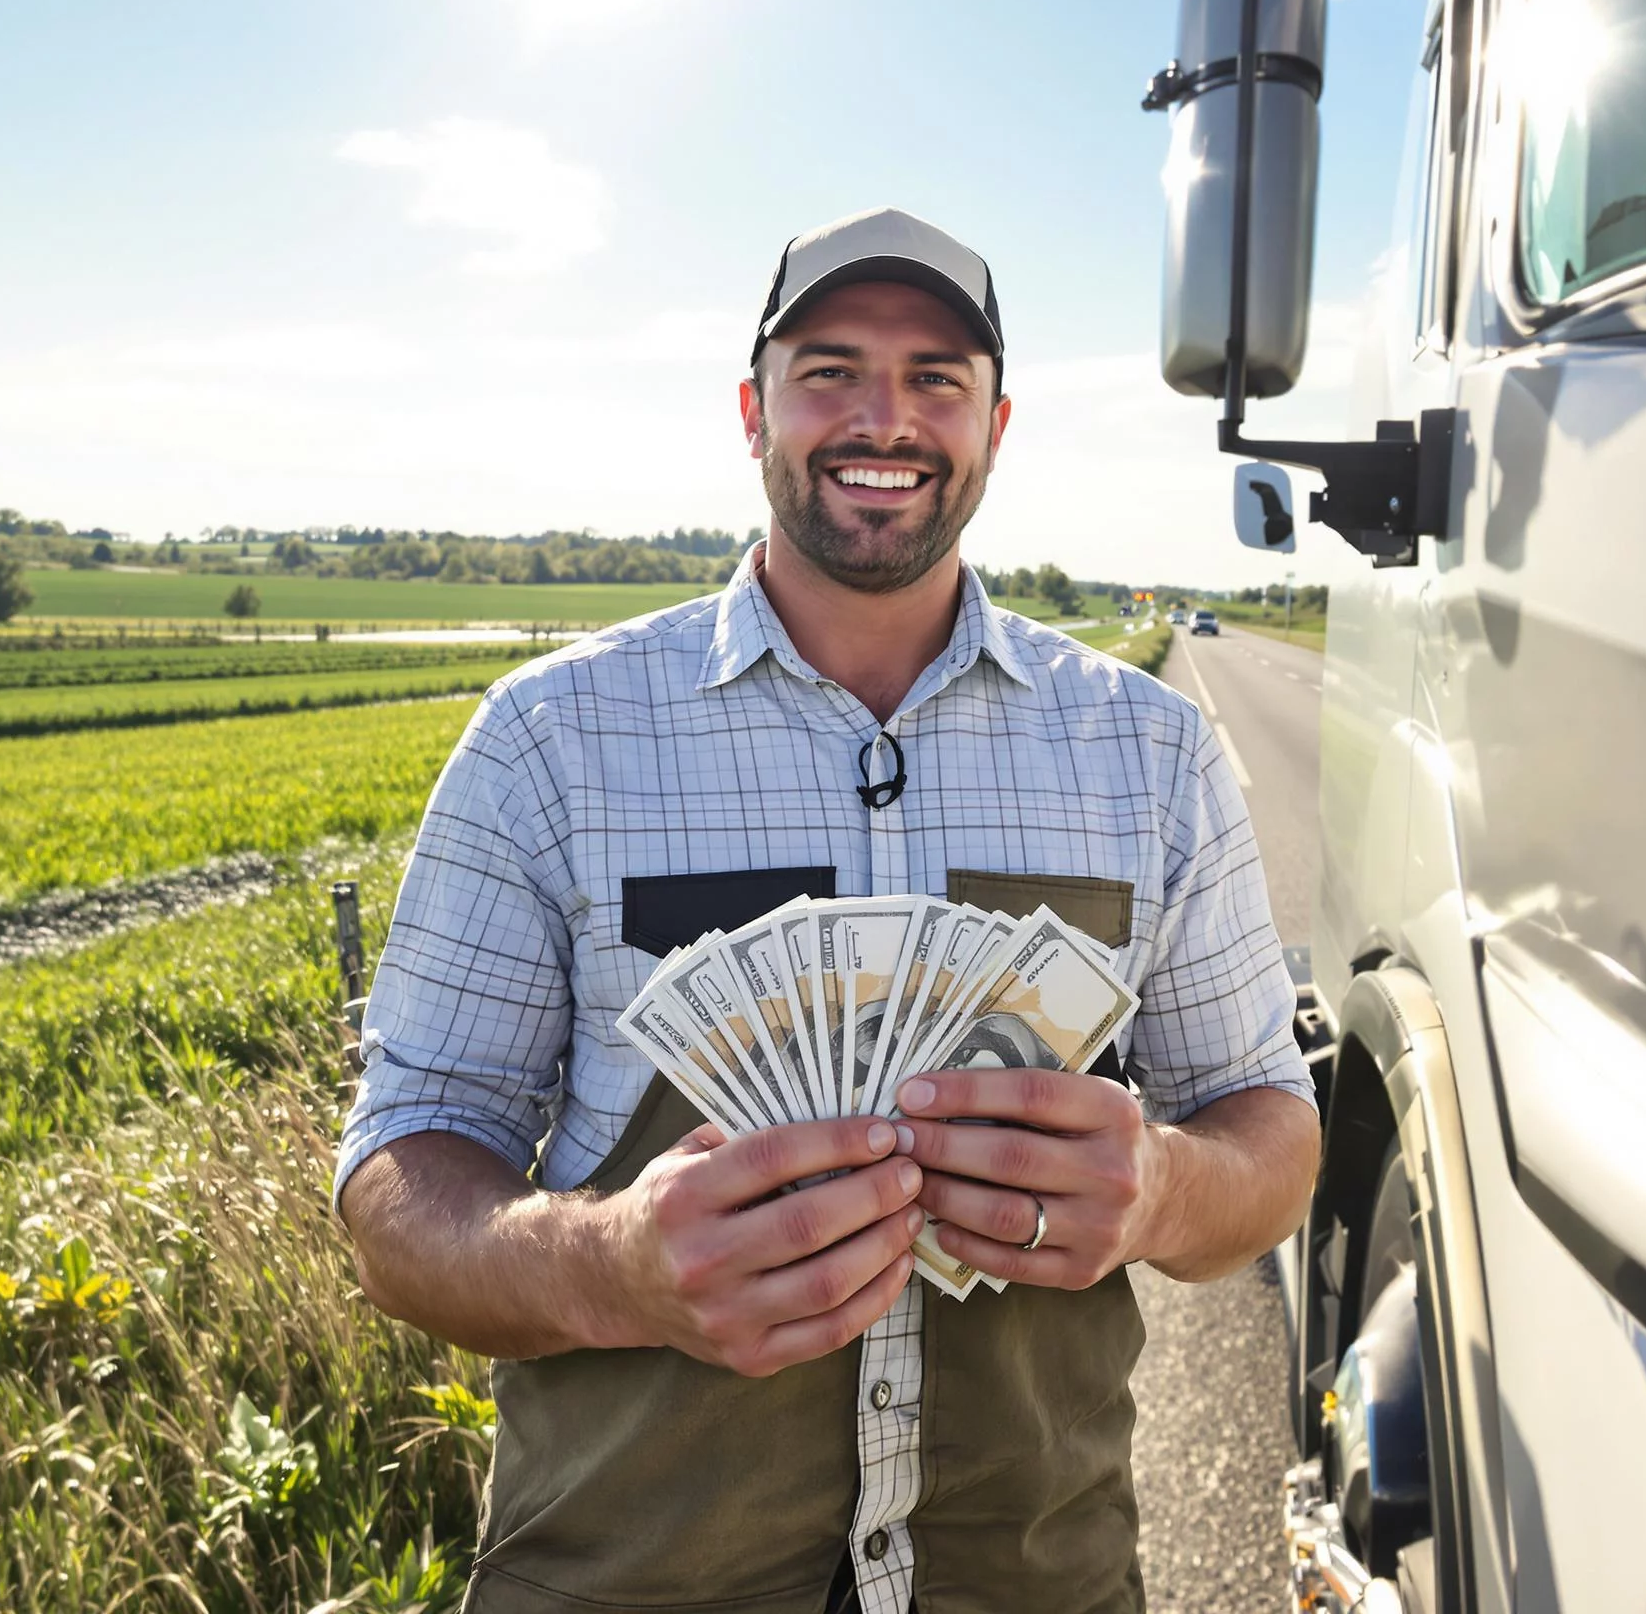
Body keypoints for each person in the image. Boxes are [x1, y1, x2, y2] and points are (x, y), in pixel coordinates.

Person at [333, 206, 1320, 1614]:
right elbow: (399, 1182)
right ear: (754, 412)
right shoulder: (549, 742)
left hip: (1038, 1583)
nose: (885, 419)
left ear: (995, 427)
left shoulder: (1151, 752)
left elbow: (1270, 1132)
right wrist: (611, 1268)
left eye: (936, 379)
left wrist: (1161, 1187)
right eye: (831, 371)